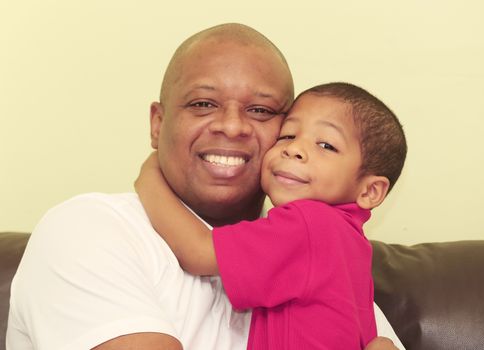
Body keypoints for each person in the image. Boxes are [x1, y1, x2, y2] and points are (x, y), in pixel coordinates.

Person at [7, 23, 404, 350]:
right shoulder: (87, 229)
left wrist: (149, 174)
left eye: (261, 110)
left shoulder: (320, 246)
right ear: (158, 125)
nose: (231, 126)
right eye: (202, 104)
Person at [135, 81, 407, 349]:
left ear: (370, 191)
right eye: (287, 135)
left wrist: (150, 174)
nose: (294, 149)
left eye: (326, 145)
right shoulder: (350, 242)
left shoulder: (310, 224)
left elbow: (198, 251)